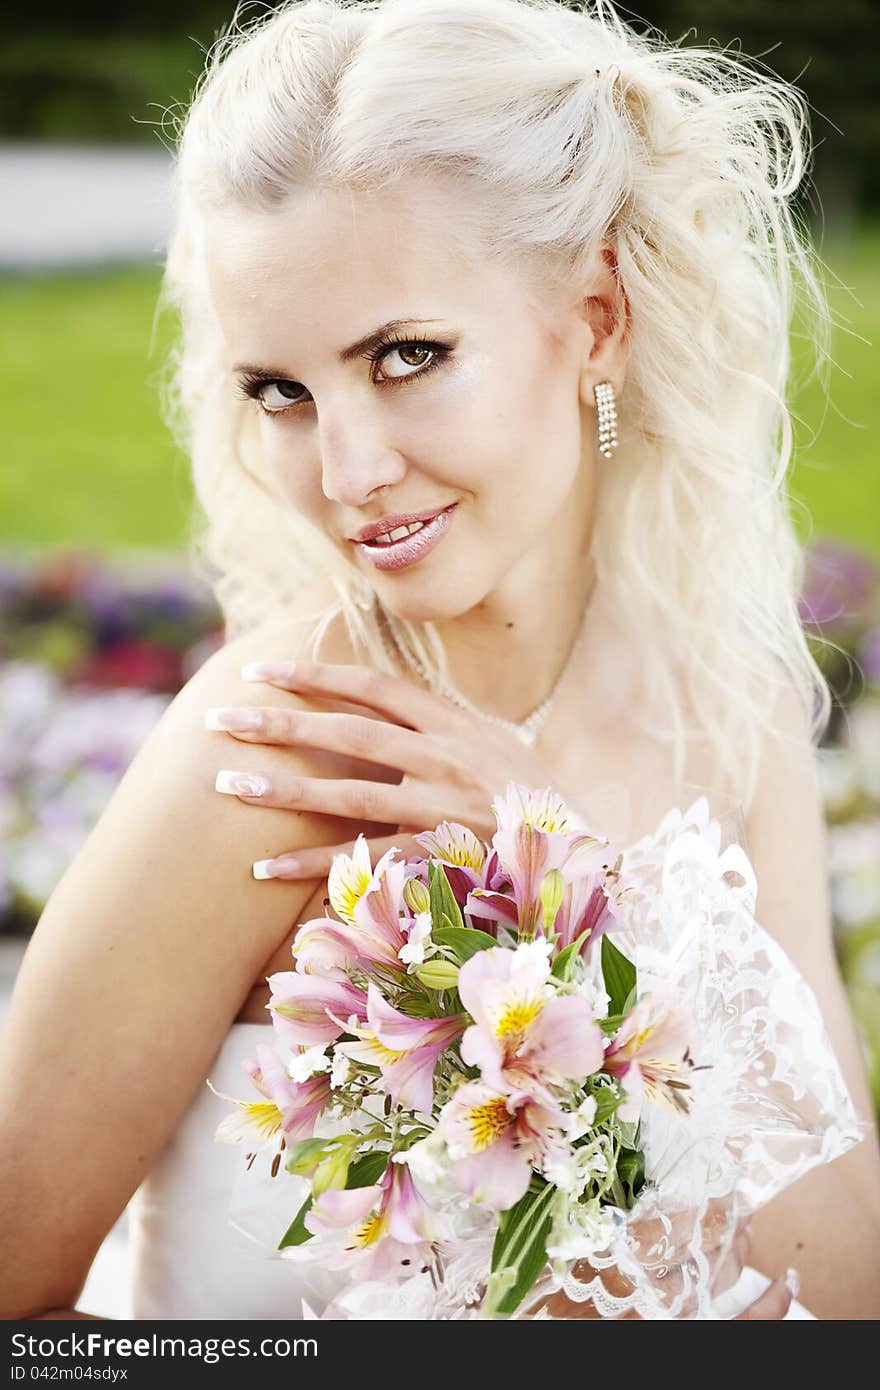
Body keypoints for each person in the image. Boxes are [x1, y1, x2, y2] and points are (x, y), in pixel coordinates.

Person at [1, 0, 878, 1321]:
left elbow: (842, 1294)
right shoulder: (287, 750)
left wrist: (586, 892)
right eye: (279, 391)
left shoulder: (727, 713)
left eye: (407, 357)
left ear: (596, 318)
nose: (345, 473)